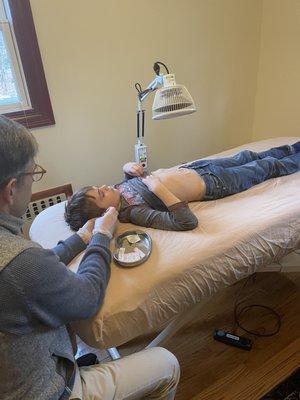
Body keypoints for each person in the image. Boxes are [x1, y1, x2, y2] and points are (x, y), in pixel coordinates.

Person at [0, 116, 180, 400]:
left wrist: (80, 240)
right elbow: (86, 299)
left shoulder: (18, 259)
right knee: (167, 363)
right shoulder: (19, 262)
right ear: (11, 189)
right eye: (32, 175)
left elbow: (32, 273)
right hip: (50, 392)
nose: (33, 184)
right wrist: (101, 237)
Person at [65, 141, 300, 232]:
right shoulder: (134, 212)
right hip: (213, 184)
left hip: (200, 167)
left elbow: (130, 185)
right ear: (108, 212)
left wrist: (128, 168)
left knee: (248, 155)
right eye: (101, 193)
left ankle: (291, 148)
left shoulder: (120, 191)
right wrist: (159, 189)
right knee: (266, 167)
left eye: (99, 186)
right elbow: (186, 221)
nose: (105, 186)